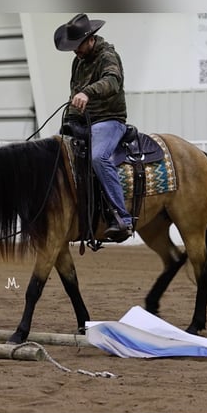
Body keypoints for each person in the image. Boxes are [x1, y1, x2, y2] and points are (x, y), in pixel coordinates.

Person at [54, 13, 132, 242]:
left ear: (91, 39)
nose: (75, 51)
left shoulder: (108, 56)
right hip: (83, 121)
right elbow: (74, 92)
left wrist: (87, 93)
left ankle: (122, 218)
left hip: (109, 119)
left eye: (78, 46)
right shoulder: (78, 61)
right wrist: (67, 122)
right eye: (73, 47)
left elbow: (113, 81)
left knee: (99, 157)